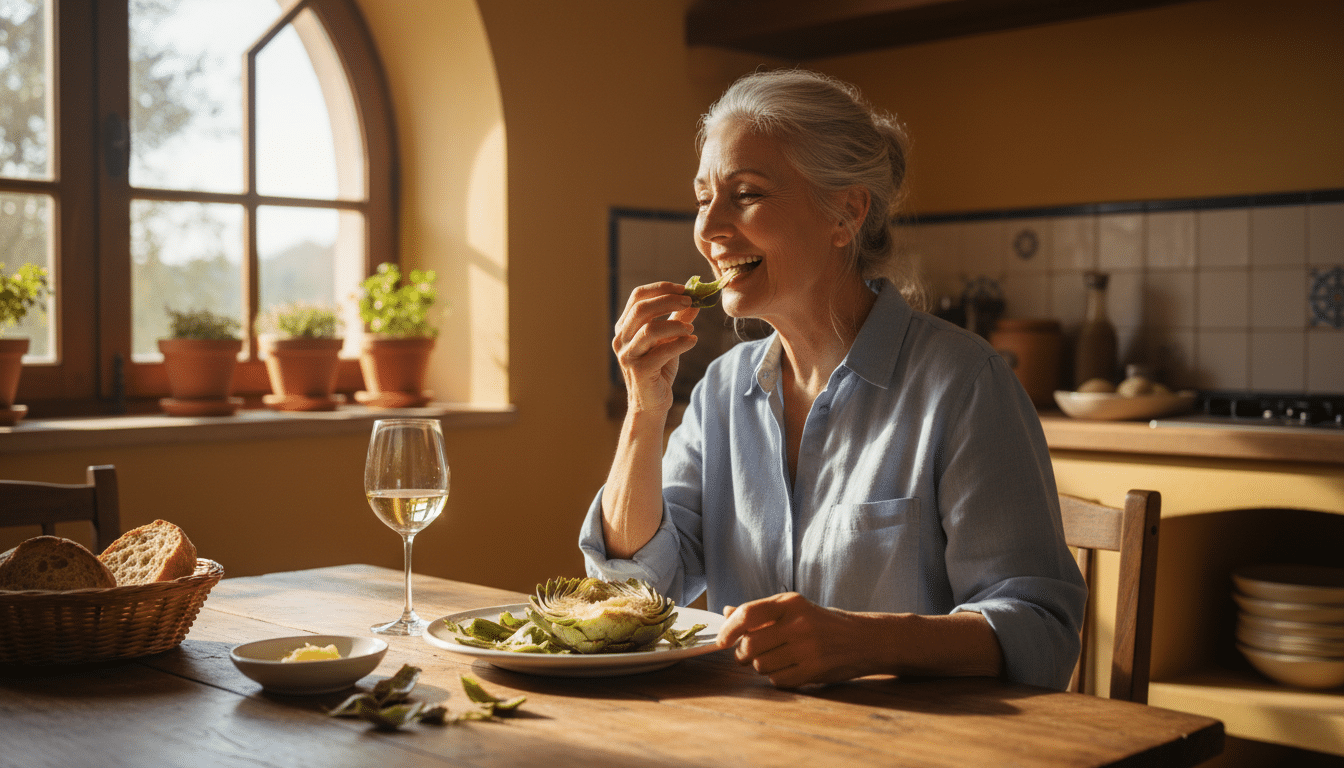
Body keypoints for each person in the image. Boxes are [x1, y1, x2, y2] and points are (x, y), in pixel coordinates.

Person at [579, 69, 1086, 690]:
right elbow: (632, 593)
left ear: (845, 213)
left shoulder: (962, 385)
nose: (708, 230)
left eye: (746, 194)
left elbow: (1044, 633)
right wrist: (643, 411)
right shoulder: (719, 392)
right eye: (702, 198)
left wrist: (866, 640)